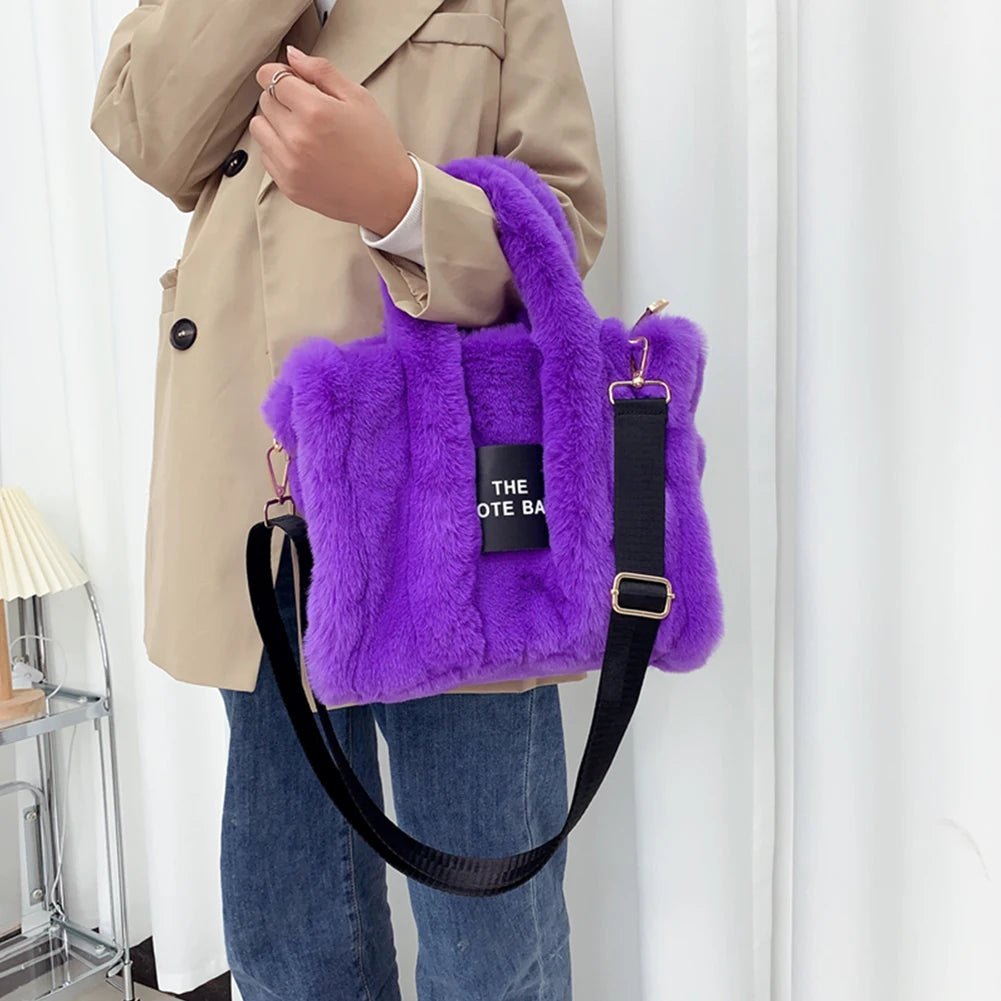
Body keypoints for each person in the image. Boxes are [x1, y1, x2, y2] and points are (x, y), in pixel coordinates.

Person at [91, 1, 606, 998]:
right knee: (288, 923)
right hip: (258, 478)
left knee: (487, 924)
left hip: (446, 486)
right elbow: (150, 135)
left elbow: (564, 227)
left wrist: (401, 201)